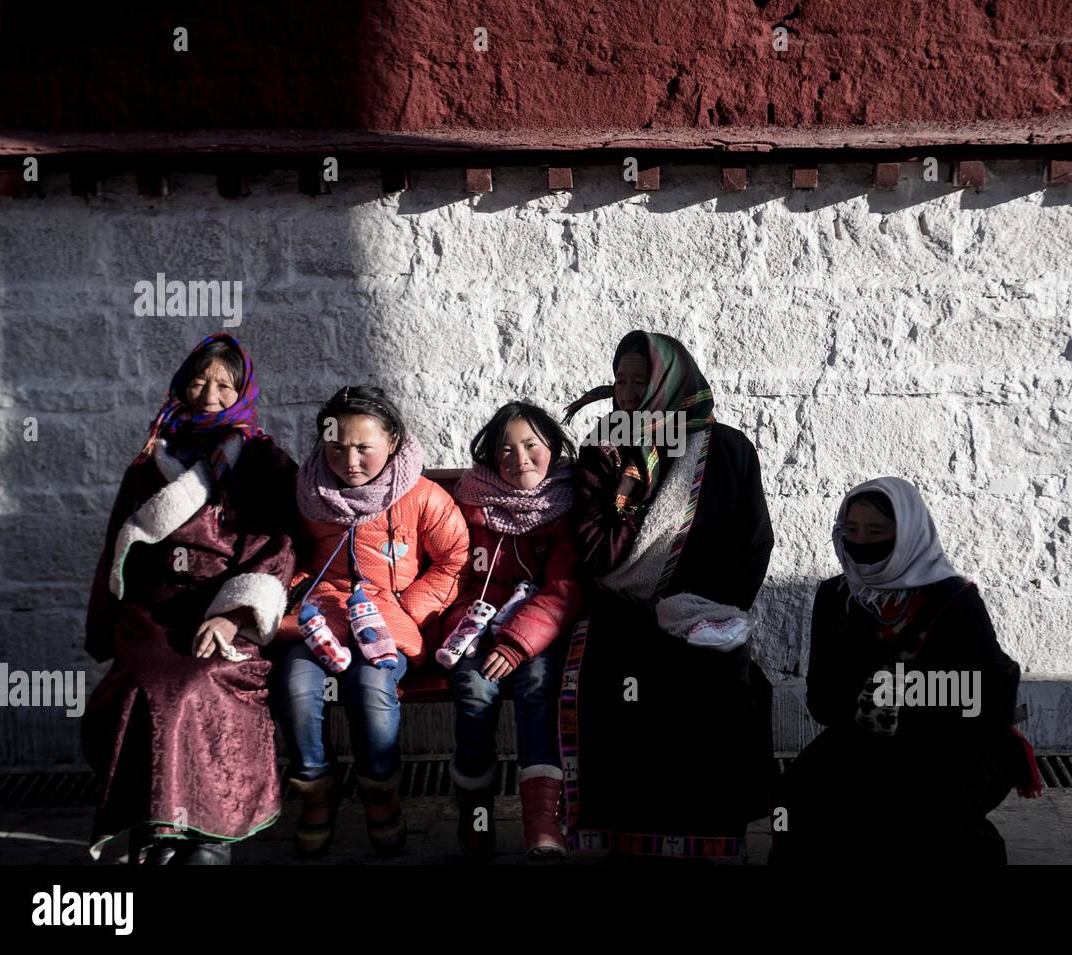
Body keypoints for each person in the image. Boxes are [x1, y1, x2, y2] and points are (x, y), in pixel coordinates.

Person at [82, 333, 299, 864]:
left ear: (243, 390)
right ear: (182, 384)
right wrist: (112, 619)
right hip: (154, 611)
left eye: (225, 384)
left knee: (199, 682)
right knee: (142, 684)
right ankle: (153, 829)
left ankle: (208, 834)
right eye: (200, 380)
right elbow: (121, 540)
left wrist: (232, 617)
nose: (211, 393)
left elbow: (279, 545)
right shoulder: (152, 458)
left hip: (224, 608)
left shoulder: (264, 460)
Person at [559, 330, 775, 860]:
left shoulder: (726, 449)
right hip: (619, 607)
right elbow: (595, 551)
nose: (628, 394)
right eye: (621, 380)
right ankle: (616, 833)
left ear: (673, 383)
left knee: (720, 678)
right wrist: (629, 495)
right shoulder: (605, 447)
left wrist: (712, 610)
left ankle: (713, 832)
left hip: (706, 607)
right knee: (610, 678)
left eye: (642, 380)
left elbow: (753, 539)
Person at [769, 477, 1043, 866]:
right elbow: (825, 701)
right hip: (865, 738)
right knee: (800, 800)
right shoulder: (836, 598)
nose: (860, 541)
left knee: (915, 813)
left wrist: (897, 697)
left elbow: (991, 692)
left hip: (956, 745)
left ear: (907, 533)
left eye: (876, 531)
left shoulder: (953, 599)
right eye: (851, 530)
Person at [274, 385, 469, 857]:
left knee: (371, 684)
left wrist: (408, 613)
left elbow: (454, 560)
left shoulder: (422, 496)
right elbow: (289, 554)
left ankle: (381, 793)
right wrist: (301, 592)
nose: (350, 459)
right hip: (322, 616)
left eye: (365, 446)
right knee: (296, 684)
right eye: (337, 446)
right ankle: (316, 790)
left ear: (394, 442)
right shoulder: (309, 492)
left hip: (390, 619)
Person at [440, 400, 583, 861]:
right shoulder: (471, 503)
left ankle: (543, 822)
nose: (519, 459)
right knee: (475, 689)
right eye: (505, 449)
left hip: (537, 633)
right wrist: (464, 629)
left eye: (530, 446)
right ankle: (475, 810)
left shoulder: (567, 506)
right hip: (477, 624)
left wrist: (517, 642)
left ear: (554, 448)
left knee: (538, 686)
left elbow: (564, 588)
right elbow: (452, 576)